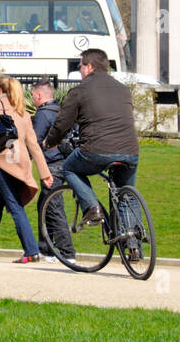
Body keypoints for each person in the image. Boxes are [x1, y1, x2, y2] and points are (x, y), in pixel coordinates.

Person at [44, 48, 141, 251]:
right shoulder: (123, 89)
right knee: (126, 194)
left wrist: (50, 141)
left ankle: (92, 207)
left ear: (88, 67)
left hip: (97, 149)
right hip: (130, 150)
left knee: (70, 168)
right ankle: (134, 247)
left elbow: (62, 123)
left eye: (80, 66)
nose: (79, 70)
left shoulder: (80, 90)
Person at [0, 77, 54, 263]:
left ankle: (31, 251)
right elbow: (34, 145)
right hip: (21, 164)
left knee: (15, 207)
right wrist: (45, 173)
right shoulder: (22, 111)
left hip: (3, 163)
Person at [31, 78, 73, 260]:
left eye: (33, 96)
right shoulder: (62, 112)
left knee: (54, 207)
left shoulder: (43, 114)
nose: (32, 99)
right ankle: (46, 249)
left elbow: (35, 143)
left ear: (39, 95)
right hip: (67, 162)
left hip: (51, 166)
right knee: (44, 205)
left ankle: (67, 252)